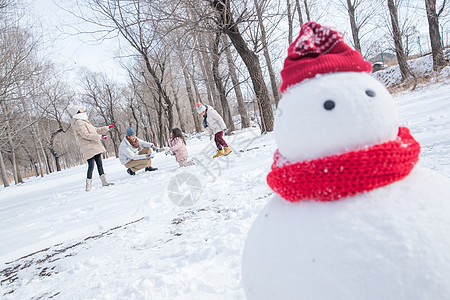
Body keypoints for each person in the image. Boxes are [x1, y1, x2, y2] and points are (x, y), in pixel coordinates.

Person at [67, 104, 114, 192]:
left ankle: (104, 181)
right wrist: (99, 137)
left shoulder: (84, 120)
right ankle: (88, 185)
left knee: (99, 163)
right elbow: (86, 135)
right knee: (91, 165)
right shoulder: (78, 122)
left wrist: (106, 128)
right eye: (80, 108)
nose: (82, 109)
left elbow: (95, 130)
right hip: (88, 147)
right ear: (78, 111)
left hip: (94, 145)